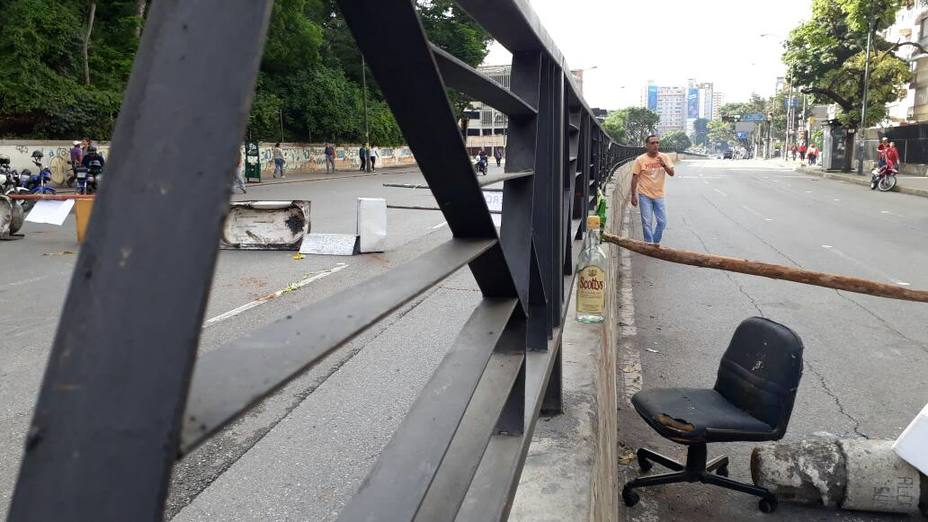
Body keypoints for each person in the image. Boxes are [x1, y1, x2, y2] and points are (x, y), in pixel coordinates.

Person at [631, 135, 674, 246]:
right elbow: (634, 177)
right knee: (646, 223)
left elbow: (672, 173)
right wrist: (633, 195)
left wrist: (663, 164)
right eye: (652, 143)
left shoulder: (664, 157)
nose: (655, 145)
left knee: (662, 222)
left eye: (657, 142)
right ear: (647, 145)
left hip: (659, 195)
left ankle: (655, 241)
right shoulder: (640, 160)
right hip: (644, 195)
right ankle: (649, 245)